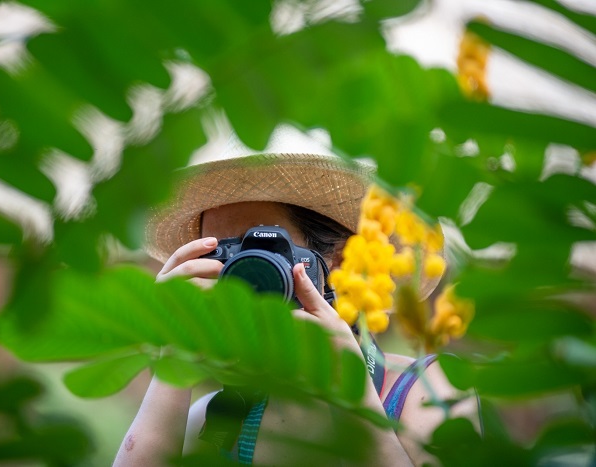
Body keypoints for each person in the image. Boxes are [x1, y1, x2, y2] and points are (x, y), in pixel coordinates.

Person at [114, 125, 479, 466]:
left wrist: (355, 397)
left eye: (259, 248)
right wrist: (173, 358)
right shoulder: (218, 421)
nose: (240, 273)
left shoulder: (427, 394)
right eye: (220, 254)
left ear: (339, 262)